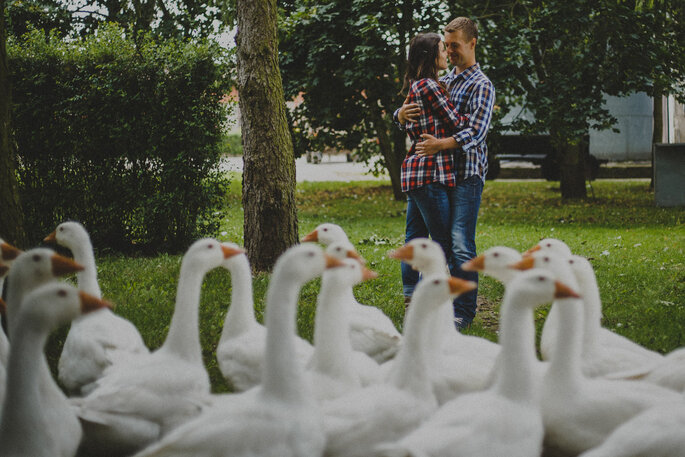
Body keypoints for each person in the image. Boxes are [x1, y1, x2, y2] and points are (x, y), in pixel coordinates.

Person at [395, 17, 495, 331]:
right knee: (436, 241)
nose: (450, 51)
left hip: (466, 173)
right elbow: (419, 116)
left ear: (472, 43)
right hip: (438, 173)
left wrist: (441, 144)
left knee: (461, 243)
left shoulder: (482, 85)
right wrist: (400, 114)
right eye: (446, 46)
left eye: (455, 45)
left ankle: (462, 312)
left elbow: (475, 133)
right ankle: (431, 301)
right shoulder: (442, 81)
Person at [394, 32, 469, 319]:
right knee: (442, 244)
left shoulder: (418, 85)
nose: (445, 53)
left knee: (414, 239)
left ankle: (412, 301)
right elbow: (455, 122)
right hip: (430, 173)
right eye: (441, 49)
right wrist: (472, 119)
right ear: (429, 55)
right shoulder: (430, 87)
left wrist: (398, 114)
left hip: (415, 174)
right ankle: (432, 304)